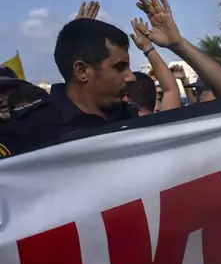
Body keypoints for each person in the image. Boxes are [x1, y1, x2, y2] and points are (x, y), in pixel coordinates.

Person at [0, 18, 136, 159]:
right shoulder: (24, 131)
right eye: (119, 67)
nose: (131, 77)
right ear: (82, 71)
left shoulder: (128, 116)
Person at [128, 17, 180, 114]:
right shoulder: (166, 122)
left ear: (125, 97)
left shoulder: (112, 125)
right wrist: (148, 48)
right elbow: (171, 89)